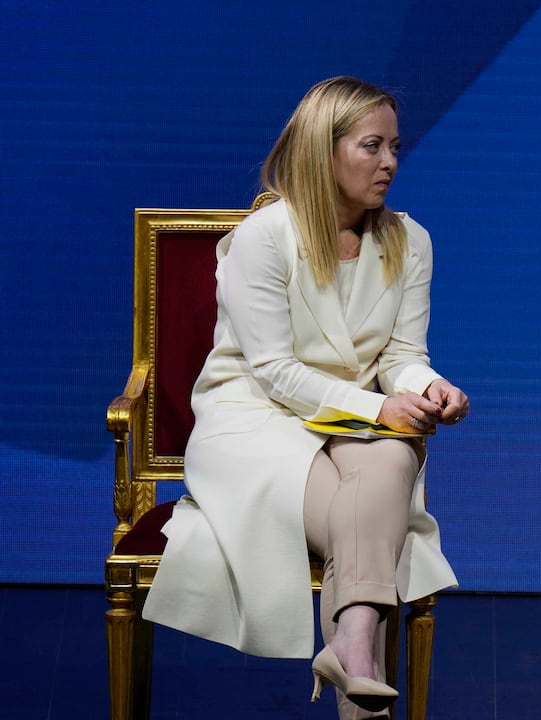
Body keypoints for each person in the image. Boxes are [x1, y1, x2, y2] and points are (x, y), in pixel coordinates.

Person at [143, 76, 468, 719]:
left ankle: (351, 650)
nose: (390, 163)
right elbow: (272, 371)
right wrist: (381, 408)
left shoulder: (410, 240)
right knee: (383, 486)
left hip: (349, 424)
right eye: (371, 146)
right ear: (324, 149)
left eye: (395, 147)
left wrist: (429, 389)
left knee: (397, 454)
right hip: (254, 420)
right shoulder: (265, 236)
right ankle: (360, 663)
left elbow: (401, 357)